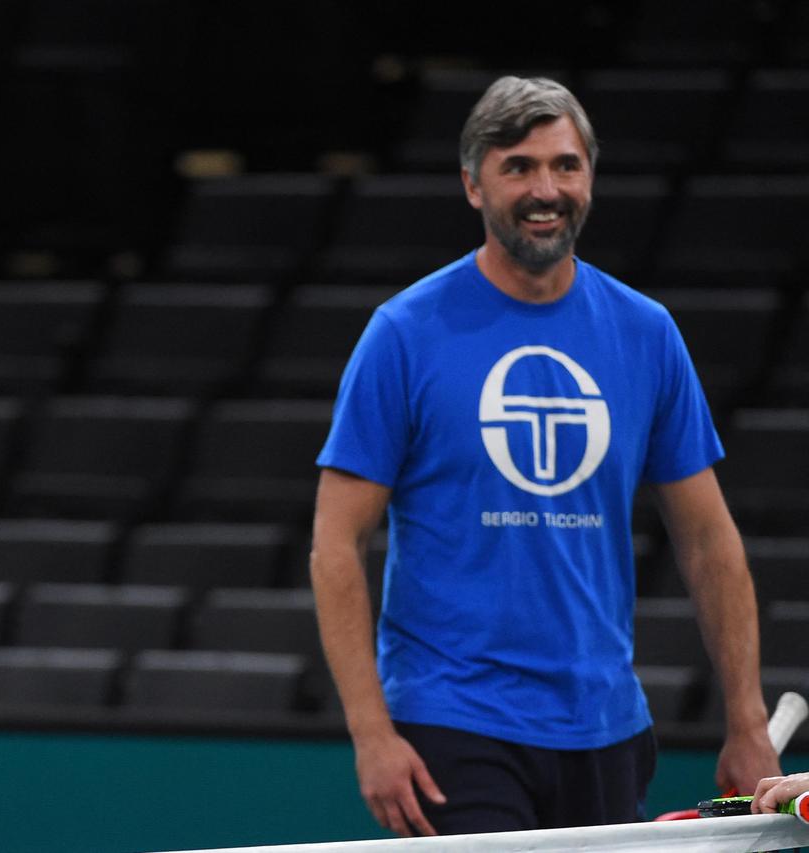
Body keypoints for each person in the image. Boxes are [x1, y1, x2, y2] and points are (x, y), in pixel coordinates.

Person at [310, 76, 780, 838]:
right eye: (518, 166)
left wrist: (746, 716)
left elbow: (707, 538)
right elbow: (336, 544)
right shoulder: (403, 334)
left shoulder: (646, 332)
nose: (545, 189)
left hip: (607, 725)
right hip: (453, 724)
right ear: (472, 184)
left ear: (590, 177)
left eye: (565, 165)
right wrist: (372, 733)